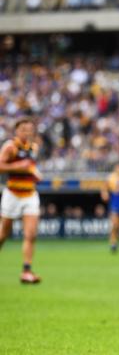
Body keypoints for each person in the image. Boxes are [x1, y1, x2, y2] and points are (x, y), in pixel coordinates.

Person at [0, 118, 43, 284]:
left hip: (30, 194)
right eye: (23, 129)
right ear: (16, 131)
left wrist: (34, 173)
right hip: (12, 194)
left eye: (29, 129)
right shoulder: (10, 147)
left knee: (31, 234)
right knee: (4, 233)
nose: (27, 132)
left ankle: (26, 271)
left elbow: (29, 166)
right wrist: (19, 167)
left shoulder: (34, 147)